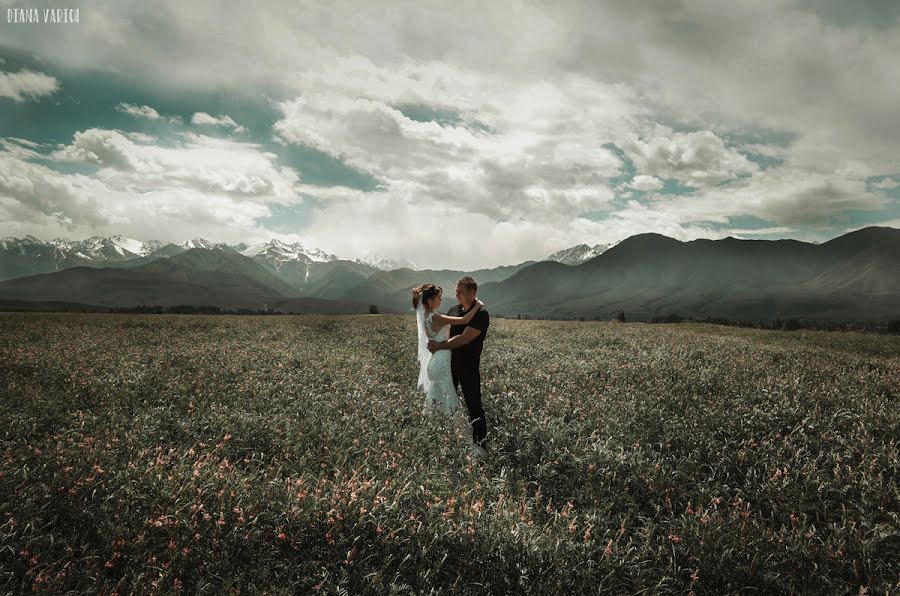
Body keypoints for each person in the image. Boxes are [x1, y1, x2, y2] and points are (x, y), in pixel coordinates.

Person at [427, 276, 490, 460]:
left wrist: (439, 346)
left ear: (472, 292)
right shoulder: (454, 310)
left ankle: (481, 448)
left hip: (469, 367)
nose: (456, 295)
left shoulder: (481, 314)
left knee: (474, 406)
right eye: (456, 291)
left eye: (460, 292)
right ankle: (450, 441)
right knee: (447, 402)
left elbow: (464, 338)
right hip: (449, 366)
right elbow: (445, 329)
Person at [412, 284, 484, 422]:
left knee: (439, 399)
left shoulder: (425, 317)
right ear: (430, 301)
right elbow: (465, 320)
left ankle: (437, 429)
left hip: (435, 362)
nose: (441, 300)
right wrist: (477, 305)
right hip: (441, 361)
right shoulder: (436, 317)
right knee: (447, 399)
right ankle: (452, 430)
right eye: (439, 298)